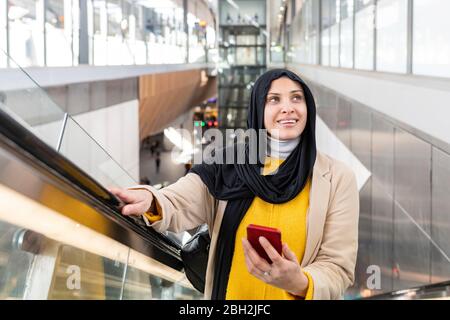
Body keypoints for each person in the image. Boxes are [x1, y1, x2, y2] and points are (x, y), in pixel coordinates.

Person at [110, 69, 359, 300]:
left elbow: (338, 267)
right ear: (257, 109)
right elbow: (177, 200)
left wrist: (300, 282)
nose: (287, 108)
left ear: (309, 108)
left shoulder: (336, 178)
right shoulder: (227, 165)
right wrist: (151, 199)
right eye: (274, 100)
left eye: (296, 98)